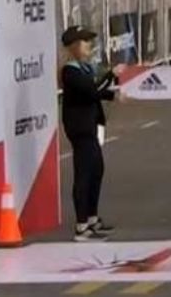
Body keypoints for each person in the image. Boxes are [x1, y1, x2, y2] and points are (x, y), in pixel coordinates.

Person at [60, 26, 126, 242]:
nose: (90, 46)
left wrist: (113, 94)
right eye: (86, 42)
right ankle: (81, 226)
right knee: (84, 173)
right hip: (80, 128)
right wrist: (111, 75)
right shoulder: (70, 71)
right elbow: (91, 91)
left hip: (92, 125)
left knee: (96, 170)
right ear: (75, 46)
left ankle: (92, 218)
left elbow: (96, 92)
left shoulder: (85, 69)